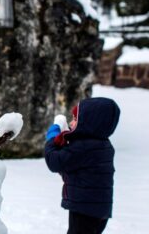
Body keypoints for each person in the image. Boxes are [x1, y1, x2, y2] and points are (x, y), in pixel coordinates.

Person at [44, 97, 121, 234]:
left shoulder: (84, 147)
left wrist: (52, 138)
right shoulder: (103, 145)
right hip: (98, 210)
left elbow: (54, 162)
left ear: (89, 122)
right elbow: (74, 168)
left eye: (75, 119)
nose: (71, 122)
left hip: (85, 210)